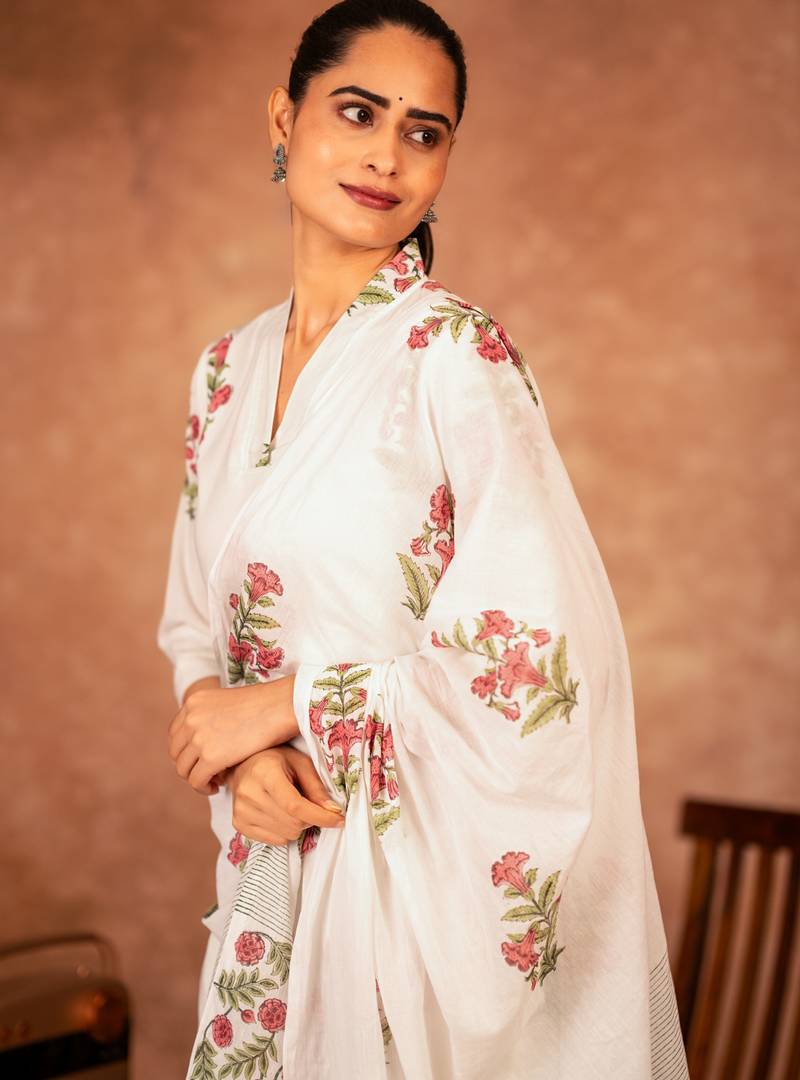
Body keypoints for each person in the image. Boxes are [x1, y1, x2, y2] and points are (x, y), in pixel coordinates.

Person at [157, 1, 689, 1077]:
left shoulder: (453, 355)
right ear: (284, 117)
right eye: (358, 112)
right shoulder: (224, 372)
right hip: (272, 884)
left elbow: (535, 669)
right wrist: (245, 754)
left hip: (405, 910)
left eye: (423, 131)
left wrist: (289, 707)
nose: (386, 157)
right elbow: (194, 627)